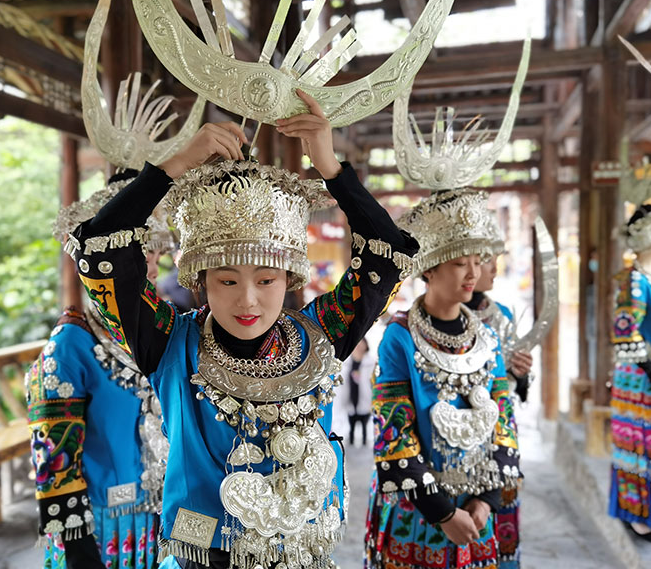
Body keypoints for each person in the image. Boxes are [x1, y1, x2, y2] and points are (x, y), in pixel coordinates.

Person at [64, 89, 418, 569]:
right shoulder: (168, 341)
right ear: (200, 281)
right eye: (227, 280)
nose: (247, 299)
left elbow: (385, 255)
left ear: (290, 279)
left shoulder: (321, 334)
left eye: (266, 279)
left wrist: (331, 168)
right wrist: (171, 167)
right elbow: (101, 252)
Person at [365, 188, 521, 569]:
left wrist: (486, 499)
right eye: (459, 263)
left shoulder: (488, 337)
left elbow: (504, 417)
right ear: (430, 268)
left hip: (478, 509)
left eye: (476, 261)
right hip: (417, 507)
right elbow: (394, 432)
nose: (474, 273)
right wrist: (443, 513)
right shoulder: (399, 337)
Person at [27, 170, 173, 569]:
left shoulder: (164, 330)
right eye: (139, 254)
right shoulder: (71, 345)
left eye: (153, 253)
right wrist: (78, 549)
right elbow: (53, 457)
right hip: (98, 532)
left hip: (162, 523)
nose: (150, 266)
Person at [609, 203, 651, 544]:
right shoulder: (633, 281)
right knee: (644, 447)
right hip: (642, 381)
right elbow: (624, 332)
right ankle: (640, 517)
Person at [466, 251, 531, 569]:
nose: (491, 268)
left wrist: (520, 374)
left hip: (499, 434)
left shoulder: (502, 314)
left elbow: (515, 387)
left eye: (488, 260)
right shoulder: (415, 325)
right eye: (482, 259)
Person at [334, 338, 375, 446]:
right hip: (351, 399)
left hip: (365, 399)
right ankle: (351, 442)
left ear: (366, 347)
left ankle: (365, 442)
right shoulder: (346, 364)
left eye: (361, 346)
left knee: (364, 424)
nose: (358, 348)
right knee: (352, 424)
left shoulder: (371, 363)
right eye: (356, 346)